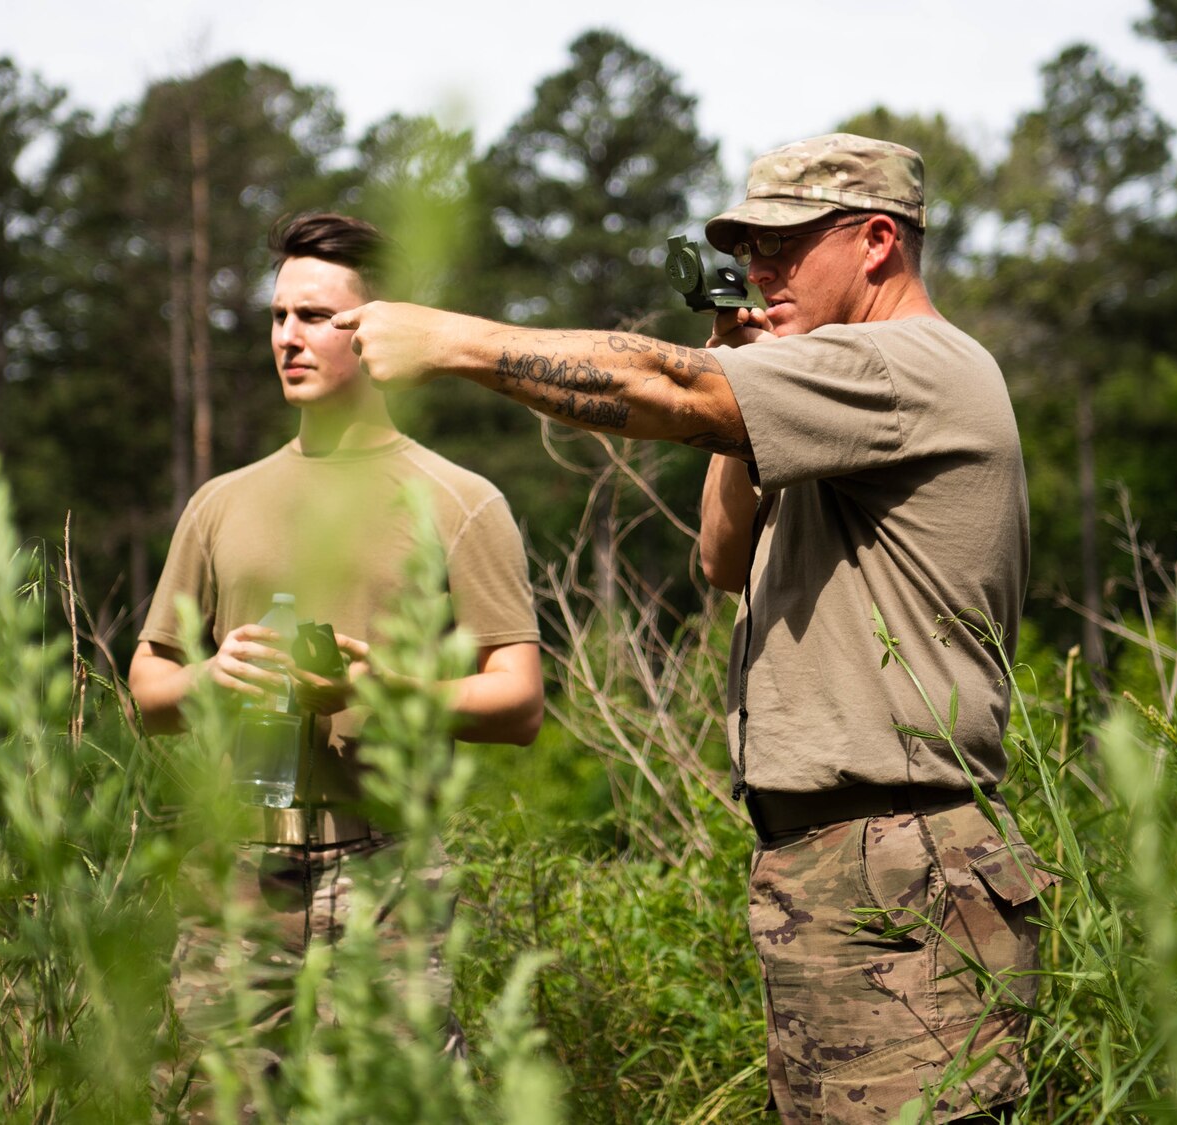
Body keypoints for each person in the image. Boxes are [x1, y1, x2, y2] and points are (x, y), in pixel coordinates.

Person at [335, 134, 1055, 1123]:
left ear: (877, 242)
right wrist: (744, 390)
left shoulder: (905, 365)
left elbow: (666, 392)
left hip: (900, 864)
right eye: (747, 250)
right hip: (837, 867)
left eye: (786, 247)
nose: (761, 271)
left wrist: (452, 343)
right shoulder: (842, 399)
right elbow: (721, 559)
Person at [128, 212, 544, 1112]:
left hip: (386, 864)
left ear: (377, 326)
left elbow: (519, 702)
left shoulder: (459, 501)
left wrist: (376, 689)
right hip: (235, 867)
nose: (288, 338)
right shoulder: (219, 503)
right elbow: (148, 687)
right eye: (278, 317)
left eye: (315, 316)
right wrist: (212, 677)